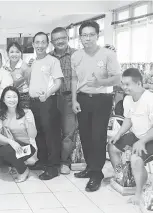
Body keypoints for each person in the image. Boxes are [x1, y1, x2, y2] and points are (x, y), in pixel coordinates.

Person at [71, 21, 121, 192]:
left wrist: (101, 82)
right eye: (84, 35)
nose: (88, 38)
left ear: (97, 35)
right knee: (84, 136)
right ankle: (90, 167)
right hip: (82, 99)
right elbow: (74, 79)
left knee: (97, 136)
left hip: (102, 99)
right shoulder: (76, 55)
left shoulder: (108, 54)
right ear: (80, 37)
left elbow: (117, 79)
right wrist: (74, 99)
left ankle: (97, 173)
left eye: (91, 34)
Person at [108, 68, 153, 205]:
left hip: (150, 138)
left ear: (139, 83)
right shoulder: (127, 99)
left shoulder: (150, 99)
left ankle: (138, 194)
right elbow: (128, 120)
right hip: (136, 135)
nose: (124, 87)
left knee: (135, 158)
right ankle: (121, 177)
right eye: (123, 84)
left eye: (127, 84)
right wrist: (118, 134)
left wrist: (142, 141)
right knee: (112, 147)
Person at [28, 32, 63, 180]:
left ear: (47, 44)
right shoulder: (34, 62)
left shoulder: (53, 61)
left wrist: (47, 94)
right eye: (37, 42)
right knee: (40, 133)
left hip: (48, 102)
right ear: (33, 45)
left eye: (43, 42)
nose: (40, 45)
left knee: (51, 135)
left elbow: (58, 82)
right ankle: (42, 161)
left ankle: (53, 167)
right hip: (34, 102)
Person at [0, 86, 37, 182]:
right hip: (10, 146)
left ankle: (23, 170)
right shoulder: (0, 113)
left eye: (15, 97)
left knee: (8, 152)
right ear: (3, 100)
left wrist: (30, 123)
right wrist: (11, 142)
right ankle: (15, 164)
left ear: (18, 98)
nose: (12, 100)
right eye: (8, 97)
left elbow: (33, 135)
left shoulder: (26, 112)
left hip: (28, 148)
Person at [49, 27, 77, 175]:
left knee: (68, 132)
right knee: (52, 131)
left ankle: (65, 162)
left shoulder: (77, 55)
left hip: (69, 98)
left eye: (62, 38)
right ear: (52, 41)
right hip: (51, 99)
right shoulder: (48, 57)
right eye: (56, 39)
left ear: (68, 38)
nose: (60, 41)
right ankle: (52, 160)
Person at [4, 42, 31, 109]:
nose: (14, 54)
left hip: (23, 97)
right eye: (12, 52)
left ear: (21, 53)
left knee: (23, 117)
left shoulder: (25, 67)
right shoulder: (4, 67)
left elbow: (29, 83)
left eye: (17, 52)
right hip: (9, 96)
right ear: (8, 54)